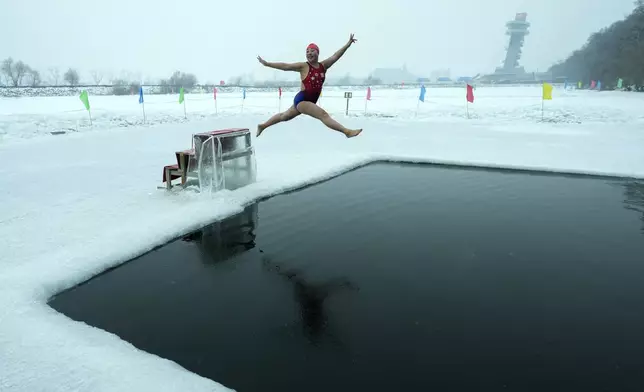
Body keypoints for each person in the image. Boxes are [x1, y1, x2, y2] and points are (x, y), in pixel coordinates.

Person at [255, 34, 363, 138]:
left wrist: (348, 44)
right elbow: (285, 66)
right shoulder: (303, 66)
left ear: (317, 53)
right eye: (307, 51)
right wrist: (267, 64)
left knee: (284, 116)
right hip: (302, 100)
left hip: (311, 101)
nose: (309, 53)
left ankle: (263, 126)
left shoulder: (323, 66)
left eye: (312, 50)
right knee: (323, 115)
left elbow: (336, 55)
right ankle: (346, 132)